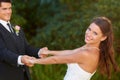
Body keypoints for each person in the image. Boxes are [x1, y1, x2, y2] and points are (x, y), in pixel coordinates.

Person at [32, 17, 119, 80]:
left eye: (95, 33)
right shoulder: (90, 48)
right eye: (89, 29)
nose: (89, 34)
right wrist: (48, 52)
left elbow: (56, 60)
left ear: (103, 37)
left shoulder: (87, 54)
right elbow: (71, 52)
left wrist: (33, 61)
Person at [0, 0, 45, 80]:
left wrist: (39, 52)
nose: (8, 11)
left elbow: (26, 47)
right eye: (4, 9)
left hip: (24, 76)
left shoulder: (16, 28)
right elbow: (3, 52)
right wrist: (21, 59)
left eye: (10, 8)